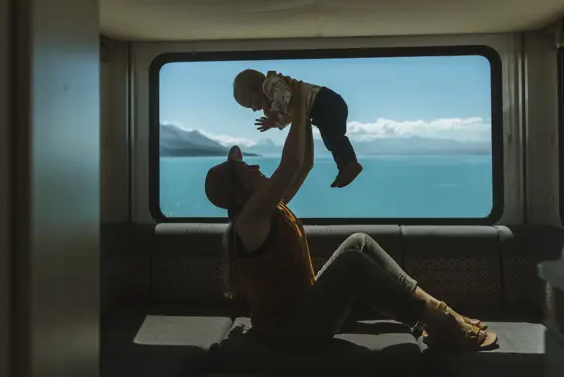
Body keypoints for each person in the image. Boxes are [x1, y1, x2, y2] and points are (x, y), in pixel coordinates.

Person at [205, 81, 497, 351]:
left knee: (359, 242)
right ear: (240, 191)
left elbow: (304, 164)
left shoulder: (268, 209)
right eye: (248, 170)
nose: (256, 168)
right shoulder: (250, 221)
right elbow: (291, 164)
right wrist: (300, 104)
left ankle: (436, 309)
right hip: (290, 331)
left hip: (305, 308)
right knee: (352, 264)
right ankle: (440, 324)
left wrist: (303, 114)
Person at [232, 68, 362, 188]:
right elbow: (291, 116)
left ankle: (351, 164)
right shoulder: (274, 100)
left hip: (325, 102)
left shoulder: (270, 84)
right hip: (321, 108)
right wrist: (275, 122)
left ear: (256, 89)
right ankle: (344, 167)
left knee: (334, 137)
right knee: (330, 140)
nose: (254, 109)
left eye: (250, 104)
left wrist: (276, 112)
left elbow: (284, 92)